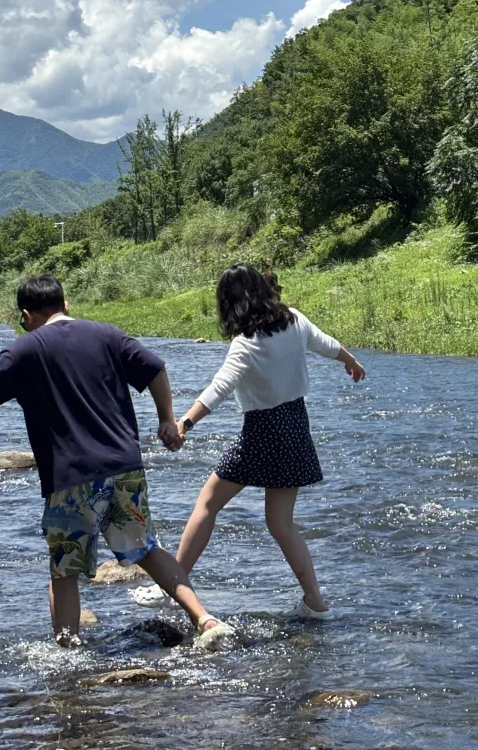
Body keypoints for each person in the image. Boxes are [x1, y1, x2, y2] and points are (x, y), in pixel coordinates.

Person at [0, 273, 234, 647]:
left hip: (71, 476)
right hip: (124, 465)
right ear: (66, 305)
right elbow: (155, 367)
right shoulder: (107, 334)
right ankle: (206, 620)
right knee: (146, 549)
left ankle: (68, 653)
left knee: (65, 572)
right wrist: (167, 418)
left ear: (25, 314)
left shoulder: (26, 349)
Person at [136, 264, 365, 617]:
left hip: (262, 432)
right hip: (295, 427)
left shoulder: (246, 344)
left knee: (207, 504)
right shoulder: (294, 320)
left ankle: (172, 586)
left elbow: (219, 389)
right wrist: (351, 362)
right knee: (281, 524)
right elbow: (326, 344)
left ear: (230, 304)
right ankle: (316, 604)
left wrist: (184, 423)